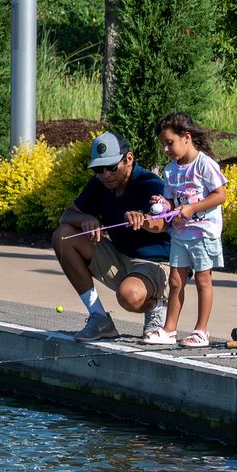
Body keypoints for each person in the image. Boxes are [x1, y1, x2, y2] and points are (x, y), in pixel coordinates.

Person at [52, 131, 171, 342]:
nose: (105, 174)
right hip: (120, 256)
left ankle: (157, 306)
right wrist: (84, 219)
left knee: (128, 297)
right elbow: (66, 216)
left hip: (156, 264)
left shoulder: (148, 184)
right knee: (63, 236)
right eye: (99, 169)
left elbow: (163, 223)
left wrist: (143, 219)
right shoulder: (100, 185)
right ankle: (99, 317)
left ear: (129, 159)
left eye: (112, 167)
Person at [144, 111, 227, 348]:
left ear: (186, 137)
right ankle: (169, 330)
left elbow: (220, 195)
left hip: (203, 233)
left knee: (203, 280)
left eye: (169, 143)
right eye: (163, 145)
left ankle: (201, 331)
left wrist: (193, 208)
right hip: (180, 234)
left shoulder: (205, 164)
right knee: (176, 281)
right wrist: (162, 204)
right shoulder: (170, 170)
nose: (166, 149)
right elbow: (172, 202)